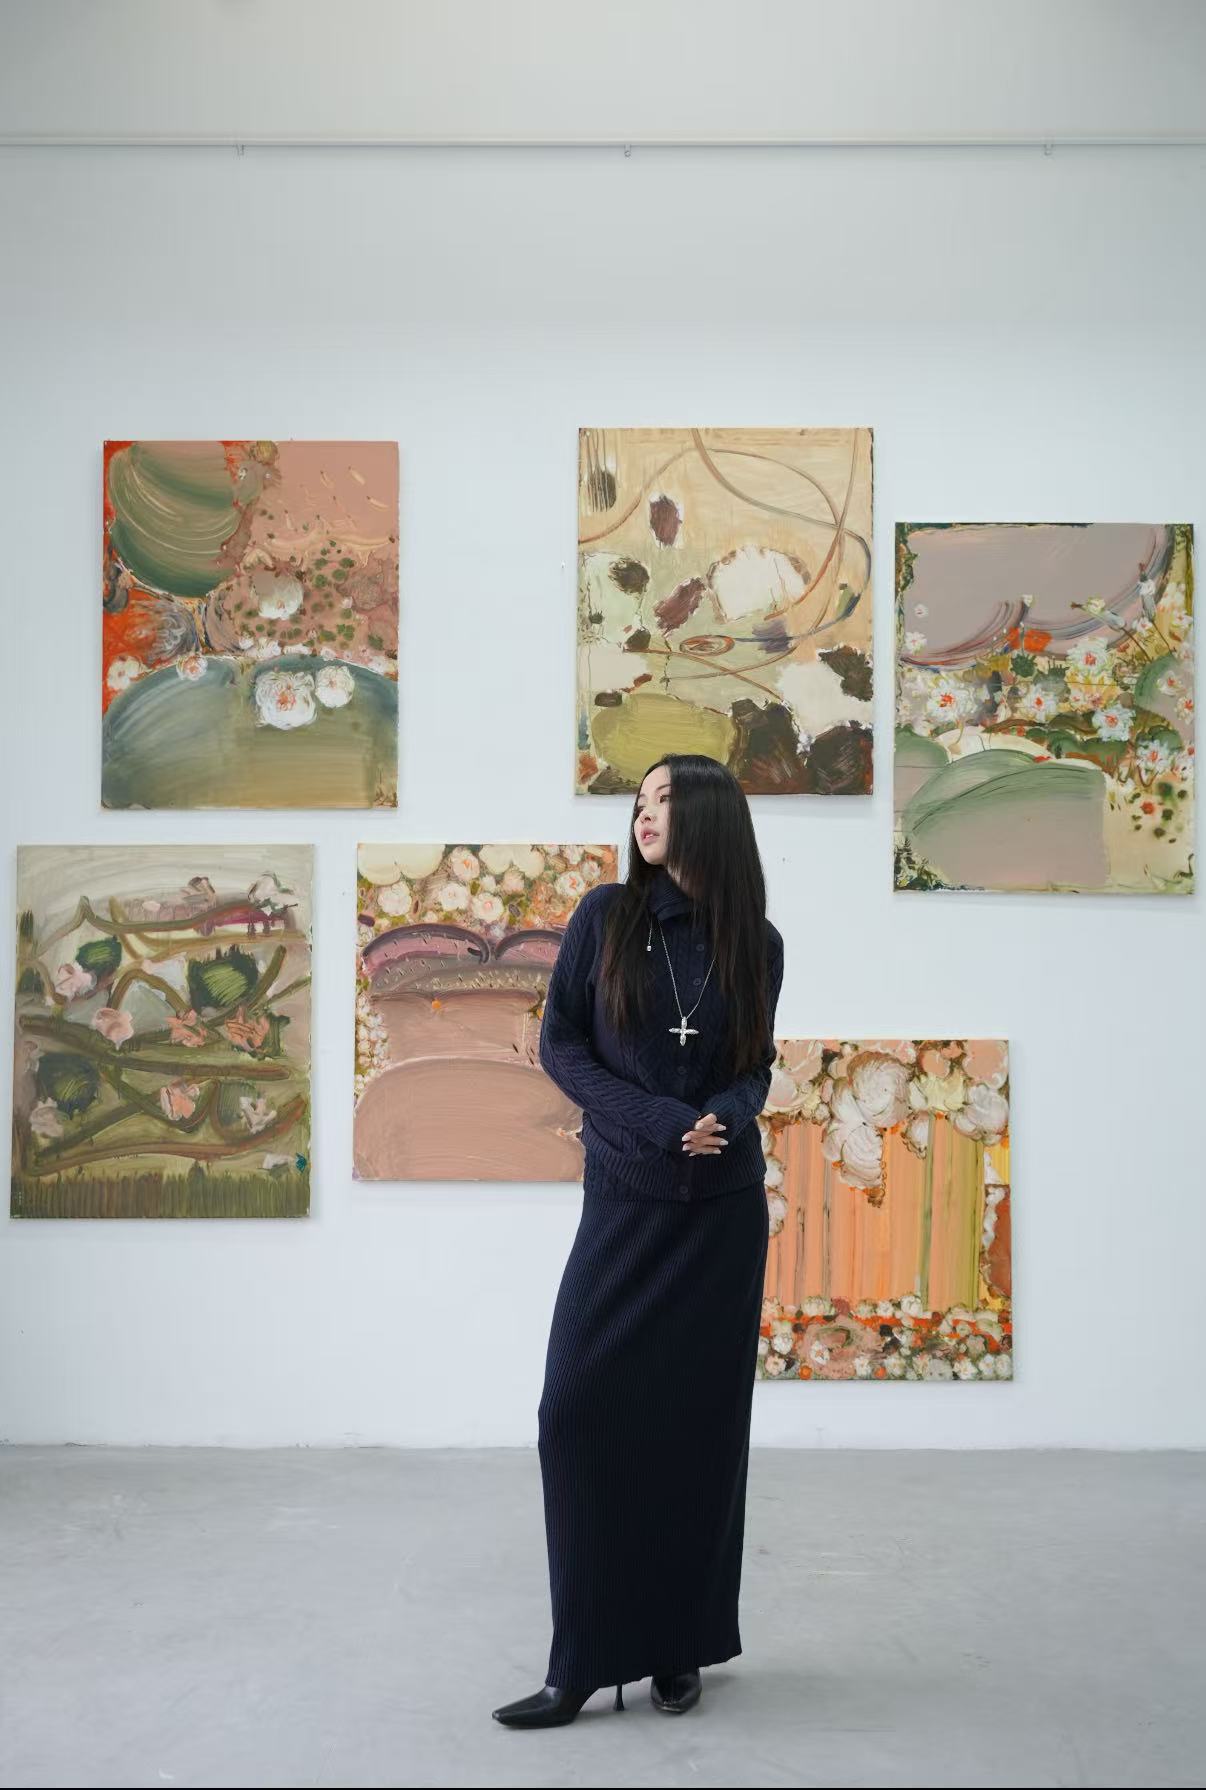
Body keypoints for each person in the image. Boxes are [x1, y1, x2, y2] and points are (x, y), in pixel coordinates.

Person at [492, 752, 784, 1729]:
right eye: (640, 800)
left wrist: (726, 1117)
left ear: (709, 815)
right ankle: (580, 1662)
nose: (644, 814)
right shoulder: (606, 919)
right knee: (574, 1415)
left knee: (697, 1434)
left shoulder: (757, 941)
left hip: (722, 1217)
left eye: (664, 798)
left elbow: (756, 1064)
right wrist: (662, 1121)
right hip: (626, 1198)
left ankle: (677, 1644)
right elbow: (562, 1046)